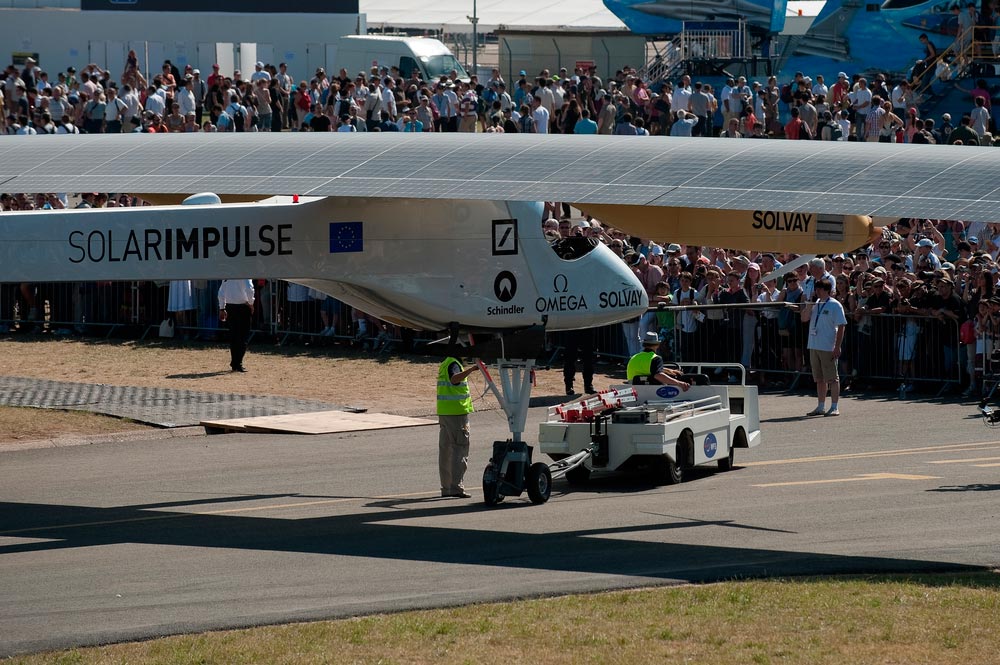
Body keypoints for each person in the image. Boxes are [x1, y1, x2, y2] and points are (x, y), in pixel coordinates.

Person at [437, 354, 480, 498]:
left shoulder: (445, 362)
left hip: (445, 412)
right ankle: (456, 487)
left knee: (446, 450)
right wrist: (472, 370)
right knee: (459, 449)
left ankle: (447, 487)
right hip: (456, 413)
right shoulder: (454, 364)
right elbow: (454, 379)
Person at [804, 279, 847, 417]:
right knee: (819, 378)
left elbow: (841, 326)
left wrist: (837, 346)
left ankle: (835, 406)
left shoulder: (835, 305)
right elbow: (804, 318)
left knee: (833, 378)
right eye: (817, 288)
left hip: (828, 346)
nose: (817, 291)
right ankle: (821, 406)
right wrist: (809, 305)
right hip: (814, 345)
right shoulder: (815, 304)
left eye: (820, 289)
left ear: (827, 290)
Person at [626, 332, 690, 390]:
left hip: (632, 389)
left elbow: (648, 367)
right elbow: (658, 375)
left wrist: (670, 370)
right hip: (648, 391)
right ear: (657, 345)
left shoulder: (634, 357)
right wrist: (679, 383)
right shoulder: (656, 358)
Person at [218, 279, 255, 372]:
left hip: (230, 307)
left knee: (234, 336)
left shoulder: (227, 272)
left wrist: (222, 307)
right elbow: (249, 288)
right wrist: (251, 303)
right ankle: (238, 362)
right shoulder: (245, 271)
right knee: (243, 336)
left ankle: (235, 362)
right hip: (243, 306)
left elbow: (221, 291)